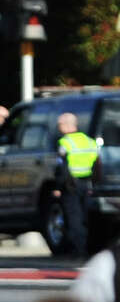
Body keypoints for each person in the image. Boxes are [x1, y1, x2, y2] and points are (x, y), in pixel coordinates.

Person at [54, 111, 98, 259]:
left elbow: (61, 168)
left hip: (70, 185)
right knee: (86, 217)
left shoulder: (64, 143)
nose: (58, 127)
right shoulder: (89, 141)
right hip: (88, 184)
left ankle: (78, 250)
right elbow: (98, 164)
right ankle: (88, 248)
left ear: (67, 125)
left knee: (73, 218)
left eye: (59, 124)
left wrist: (58, 187)